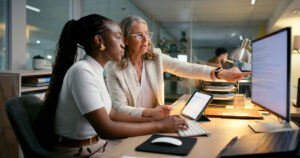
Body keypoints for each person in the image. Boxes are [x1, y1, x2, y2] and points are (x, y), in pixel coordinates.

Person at [34, 14, 187, 157]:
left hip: (97, 146)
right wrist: (160, 126)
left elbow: (112, 114)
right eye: (118, 37)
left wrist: (156, 121)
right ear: (99, 41)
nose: (123, 44)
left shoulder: (95, 70)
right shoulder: (82, 71)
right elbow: (107, 129)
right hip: (79, 152)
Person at [105, 15, 250, 118]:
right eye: (138, 35)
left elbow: (187, 68)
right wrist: (149, 112)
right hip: (129, 129)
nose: (146, 40)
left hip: (154, 124)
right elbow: (119, 109)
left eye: (147, 34)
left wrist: (220, 73)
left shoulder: (155, 57)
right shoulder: (113, 67)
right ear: (125, 40)